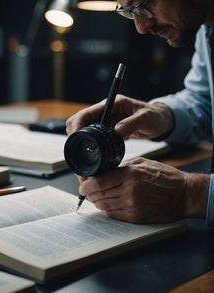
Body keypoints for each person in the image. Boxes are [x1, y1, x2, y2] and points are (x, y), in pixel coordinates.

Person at [66, 0, 214, 227]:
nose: (141, 27)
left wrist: (192, 195)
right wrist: (161, 115)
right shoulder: (207, 22)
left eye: (145, 3)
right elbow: (203, 99)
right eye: (128, 10)